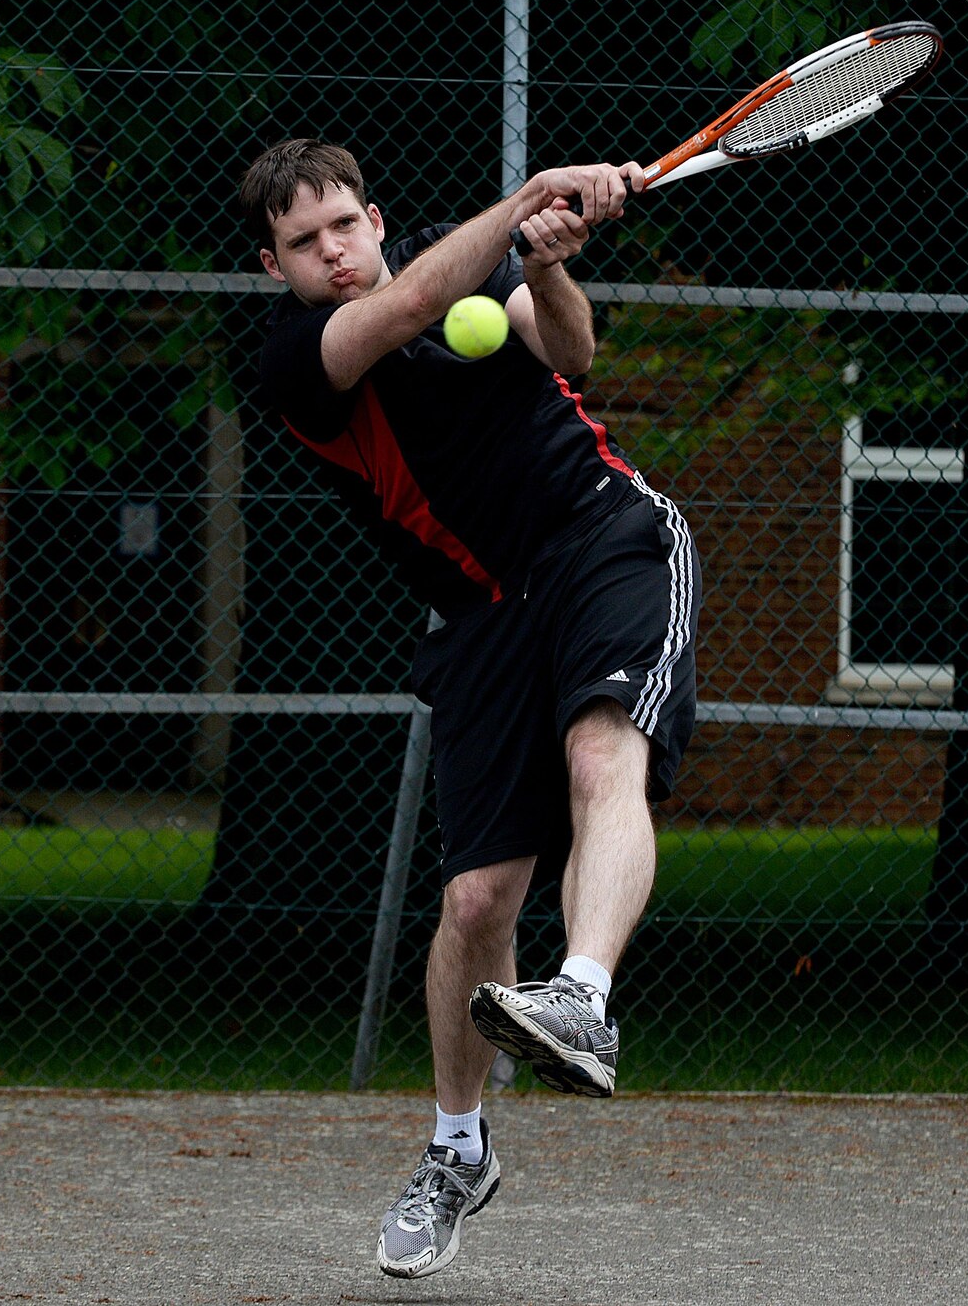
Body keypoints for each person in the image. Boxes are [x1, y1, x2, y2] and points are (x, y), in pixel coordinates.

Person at [238, 138, 701, 1279]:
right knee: (473, 902)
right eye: (303, 243)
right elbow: (402, 308)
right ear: (272, 267)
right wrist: (529, 200)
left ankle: (584, 997)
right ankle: (457, 1149)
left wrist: (543, 259)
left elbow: (573, 351)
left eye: (344, 225)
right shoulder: (301, 359)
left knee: (605, 758)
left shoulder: (476, 268)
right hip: (481, 613)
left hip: (603, 538)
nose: (331, 253)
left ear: (376, 216)